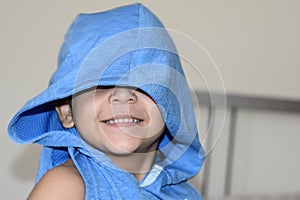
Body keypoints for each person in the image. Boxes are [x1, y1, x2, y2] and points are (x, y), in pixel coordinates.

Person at [8, 3, 205, 199]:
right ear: (67, 111)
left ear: (170, 105)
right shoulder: (67, 186)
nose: (123, 95)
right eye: (101, 83)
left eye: (145, 83)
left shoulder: (185, 194)